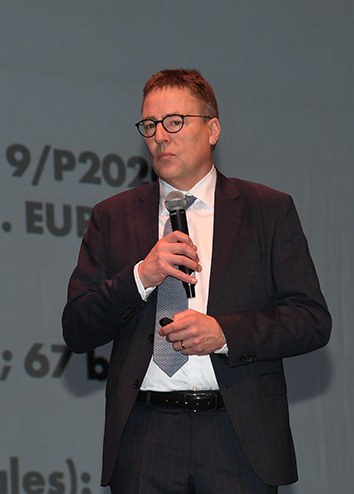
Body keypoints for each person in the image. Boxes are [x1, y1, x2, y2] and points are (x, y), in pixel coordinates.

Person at [62, 68, 331, 493]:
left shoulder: (267, 210)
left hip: (237, 435)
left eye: (174, 122)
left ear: (213, 130)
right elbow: (77, 327)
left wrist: (224, 333)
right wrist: (142, 276)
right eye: (150, 125)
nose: (159, 136)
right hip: (144, 434)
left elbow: (310, 320)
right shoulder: (112, 216)